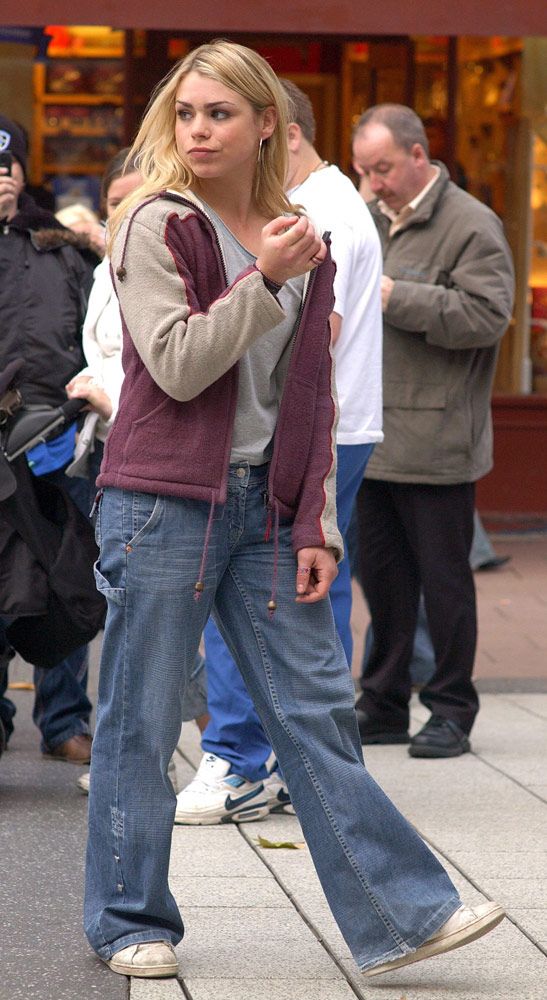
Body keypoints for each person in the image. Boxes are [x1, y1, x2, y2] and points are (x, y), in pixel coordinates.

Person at [84, 41, 504, 981]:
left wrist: (317, 517)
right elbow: (180, 362)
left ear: (265, 123)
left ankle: (403, 913)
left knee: (315, 714)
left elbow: (313, 395)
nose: (198, 130)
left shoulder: (297, 230)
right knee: (144, 720)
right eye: (187, 113)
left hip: (268, 512)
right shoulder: (157, 225)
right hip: (161, 505)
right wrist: (264, 281)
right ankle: (127, 922)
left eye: (220, 114)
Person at [175, 77, 383, 824]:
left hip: (305, 427)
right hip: (342, 422)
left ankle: (236, 758)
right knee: (304, 589)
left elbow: (305, 338)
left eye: (234, 121)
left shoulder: (314, 211)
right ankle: (311, 762)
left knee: (250, 585)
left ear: (281, 130)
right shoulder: (336, 204)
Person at [351, 104, 515, 757]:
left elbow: (487, 316)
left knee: (444, 585)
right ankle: (384, 703)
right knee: (383, 584)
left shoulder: (471, 224)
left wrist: (397, 297)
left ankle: (450, 708)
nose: (374, 183)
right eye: (365, 170)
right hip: (372, 434)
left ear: (419, 156)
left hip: (439, 441)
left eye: (383, 168)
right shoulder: (367, 218)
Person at [64, 148, 209, 793]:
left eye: (139, 195)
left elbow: (175, 377)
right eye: (116, 200)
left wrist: (106, 397)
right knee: (141, 621)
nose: (127, 210)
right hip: (113, 457)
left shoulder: (165, 262)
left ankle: (219, 750)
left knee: (157, 623)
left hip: (158, 462)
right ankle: (155, 761)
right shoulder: (107, 269)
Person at [0, 113, 94, 764]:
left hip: (53, 432)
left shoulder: (60, 244)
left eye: (6, 165)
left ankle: (64, 721)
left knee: (63, 575)